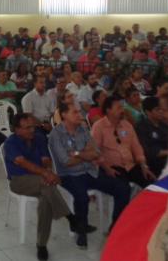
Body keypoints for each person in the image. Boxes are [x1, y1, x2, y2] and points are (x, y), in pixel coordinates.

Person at [49, 104, 131, 247]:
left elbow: (96, 153)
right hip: (69, 175)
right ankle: (81, 230)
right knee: (82, 197)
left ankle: (115, 226)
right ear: (64, 115)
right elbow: (66, 161)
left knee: (123, 188)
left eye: (79, 112)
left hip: (90, 171)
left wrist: (77, 153)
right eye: (74, 112)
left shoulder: (83, 129)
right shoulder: (56, 134)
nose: (79, 114)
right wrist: (86, 154)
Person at [3, 113, 76, 260]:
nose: (32, 130)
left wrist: (48, 170)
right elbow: (23, 163)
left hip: (40, 180)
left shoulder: (39, 138)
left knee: (45, 199)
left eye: (33, 127)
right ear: (16, 129)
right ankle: (71, 218)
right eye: (27, 128)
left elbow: (45, 159)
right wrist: (46, 174)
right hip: (19, 181)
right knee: (46, 184)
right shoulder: (11, 143)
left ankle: (41, 244)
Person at [91, 95, 156, 188]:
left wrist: (143, 165)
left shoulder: (127, 125)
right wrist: (107, 168)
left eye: (122, 107)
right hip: (112, 167)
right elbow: (95, 151)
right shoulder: (98, 127)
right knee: (123, 189)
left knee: (151, 181)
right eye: (118, 108)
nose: (122, 110)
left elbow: (136, 147)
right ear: (108, 110)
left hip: (130, 165)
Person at [136, 97, 168, 177]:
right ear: (148, 112)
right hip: (156, 164)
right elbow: (150, 152)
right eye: (157, 110)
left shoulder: (165, 124)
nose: (161, 112)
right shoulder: (142, 128)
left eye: (162, 109)